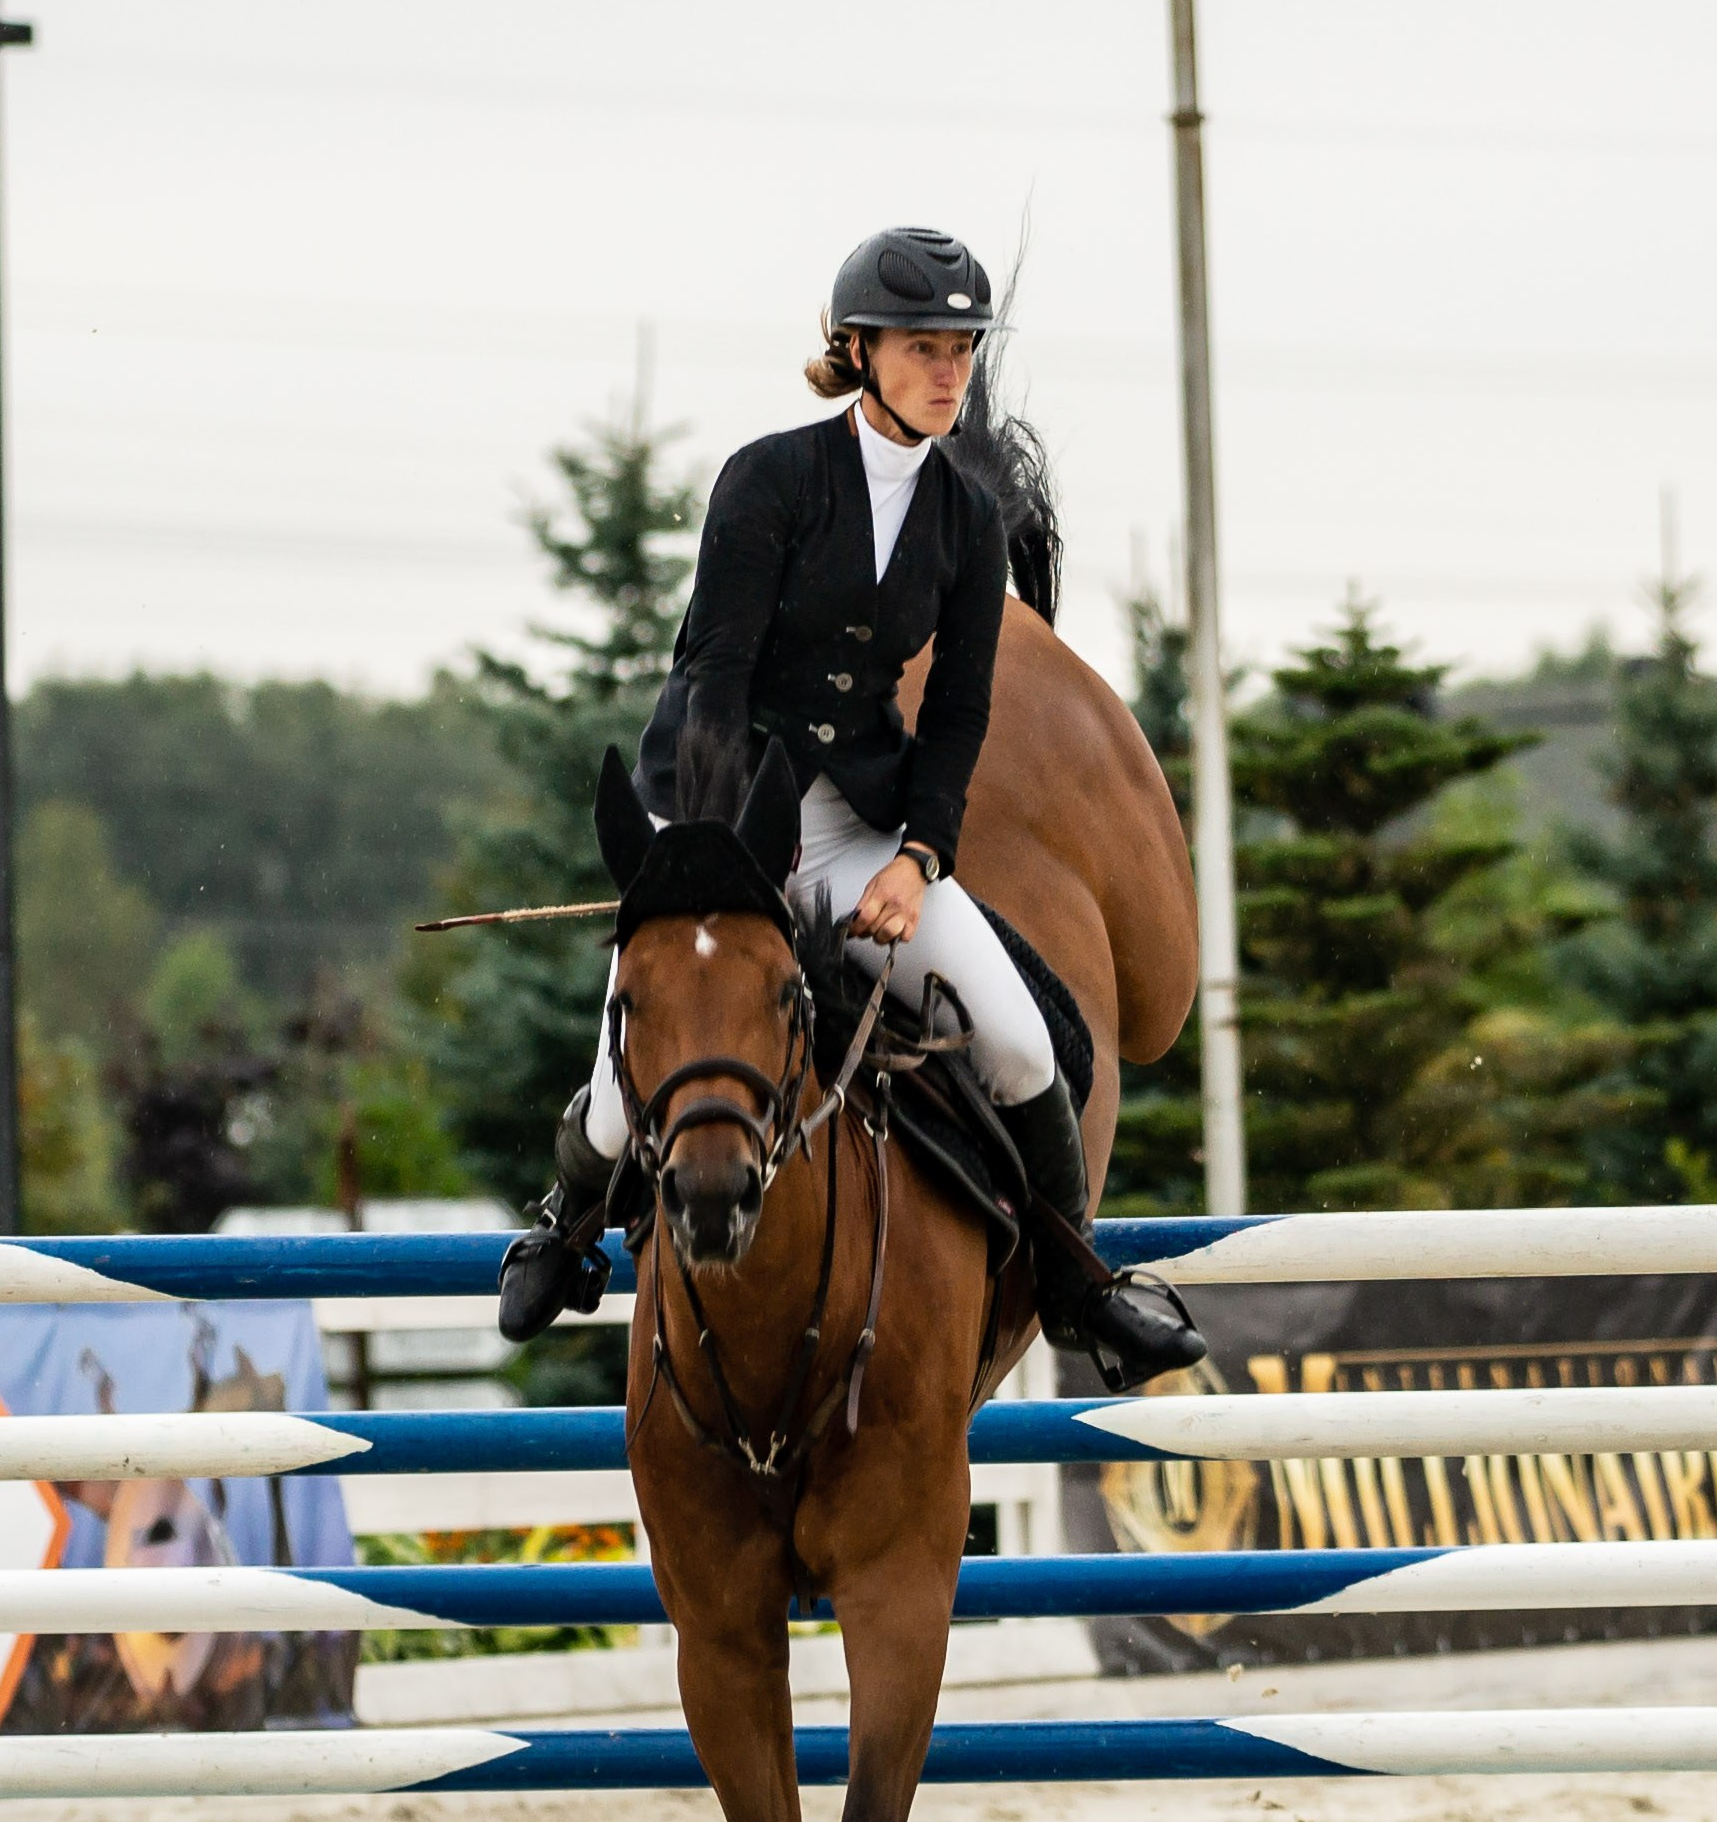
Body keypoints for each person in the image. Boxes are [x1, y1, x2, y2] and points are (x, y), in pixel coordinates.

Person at [497, 224, 1206, 1388]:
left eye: (961, 352)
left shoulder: (965, 522)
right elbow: (714, 676)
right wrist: (724, 870)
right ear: (858, 351)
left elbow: (962, 713)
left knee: (1023, 1043)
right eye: (924, 348)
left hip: (858, 832)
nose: (947, 374)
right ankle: (561, 1228)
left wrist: (917, 860)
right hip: (721, 823)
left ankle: (1083, 1284)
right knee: (630, 1102)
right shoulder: (770, 476)